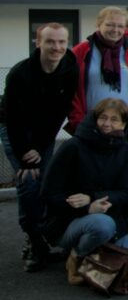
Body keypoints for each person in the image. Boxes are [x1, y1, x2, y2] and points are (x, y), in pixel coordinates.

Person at [41, 99, 128, 286]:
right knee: (101, 225)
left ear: (124, 124)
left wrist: (93, 199)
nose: (107, 124)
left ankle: (93, 257)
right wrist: (87, 208)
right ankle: (76, 255)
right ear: (94, 119)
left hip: (111, 219)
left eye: (114, 119)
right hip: (67, 222)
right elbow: (48, 193)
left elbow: (124, 194)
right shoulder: (73, 146)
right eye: (103, 118)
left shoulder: (126, 149)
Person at [0, 22, 78, 271]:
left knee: (44, 184)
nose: (56, 47)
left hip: (44, 132)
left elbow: (60, 111)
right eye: (50, 42)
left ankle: (42, 236)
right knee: (29, 183)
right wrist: (25, 154)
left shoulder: (69, 67)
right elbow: (11, 117)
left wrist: (42, 144)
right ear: (38, 43)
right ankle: (33, 241)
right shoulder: (20, 73)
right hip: (16, 131)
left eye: (61, 42)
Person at [68, 7, 128, 141]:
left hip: (123, 125)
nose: (115, 30)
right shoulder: (81, 51)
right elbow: (71, 90)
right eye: (110, 24)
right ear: (99, 24)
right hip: (91, 124)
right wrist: (77, 121)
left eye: (120, 26)